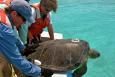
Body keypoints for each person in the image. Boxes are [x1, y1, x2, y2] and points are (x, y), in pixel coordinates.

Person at [0, 0, 41, 77]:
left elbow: (14, 36)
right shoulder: (4, 29)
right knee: (5, 60)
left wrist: (23, 49)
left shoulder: (5, 15)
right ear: (14, 13)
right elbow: (15, 59)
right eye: (24, 19)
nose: (24, 23)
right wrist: (40, 71)